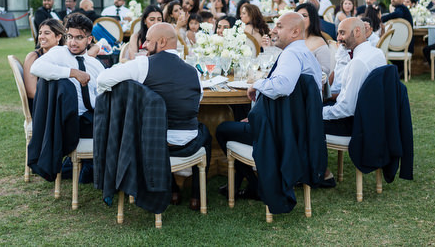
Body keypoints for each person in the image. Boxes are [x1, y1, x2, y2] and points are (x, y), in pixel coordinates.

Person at [96, 23, 211, 210]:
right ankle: (196, 197)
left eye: (148, 41)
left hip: (151, 144)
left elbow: (102, 80)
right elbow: (195, 105)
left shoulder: (143, 65)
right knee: (205, 132)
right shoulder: (195, 72)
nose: (144, 46)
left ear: (162, 41)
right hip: (186, 144)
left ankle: (174, 191)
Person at [216, 12, 323, 199]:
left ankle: (256, 184)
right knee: (242, 121)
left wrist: (256, 85)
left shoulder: (291, 55)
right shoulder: (305, 53)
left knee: (223, 129)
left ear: (295, 31)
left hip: (279, 134)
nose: (273, 30)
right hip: (298, 131)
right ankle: (247, 184)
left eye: (279, 26)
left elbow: (283, 86)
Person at [30, 13, 105, 137]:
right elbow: (36, 68)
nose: (73, 43)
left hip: (93, 116)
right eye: (70, 36)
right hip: (71, 121)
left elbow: (101, 94)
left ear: (89, 39)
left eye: (79, 38)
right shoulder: (60, 53)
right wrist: (73, 73)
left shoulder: (95, 64)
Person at [323, 18, 387, 136]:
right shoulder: (378, 53)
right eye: (338, 33)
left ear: (357, 32)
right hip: (373, 117)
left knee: (302, 120)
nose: (338, 38)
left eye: (342, 33)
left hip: (355, 123)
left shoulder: (357, 63)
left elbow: (346, 109)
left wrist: (317, 112)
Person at [23, 19, 66, 110]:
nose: (41, 37)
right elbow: (31, 92)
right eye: (40, 33)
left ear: (58, 37)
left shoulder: (66, 54)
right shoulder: (33, 57)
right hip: (42, 107)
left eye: (46, 33)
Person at [294, 3, 331, 76]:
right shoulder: (292, 39)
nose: (300, 19)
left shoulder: (319, 42)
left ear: (312, 19)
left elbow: (325, 71)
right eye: (297, 16)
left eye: (304, 16)